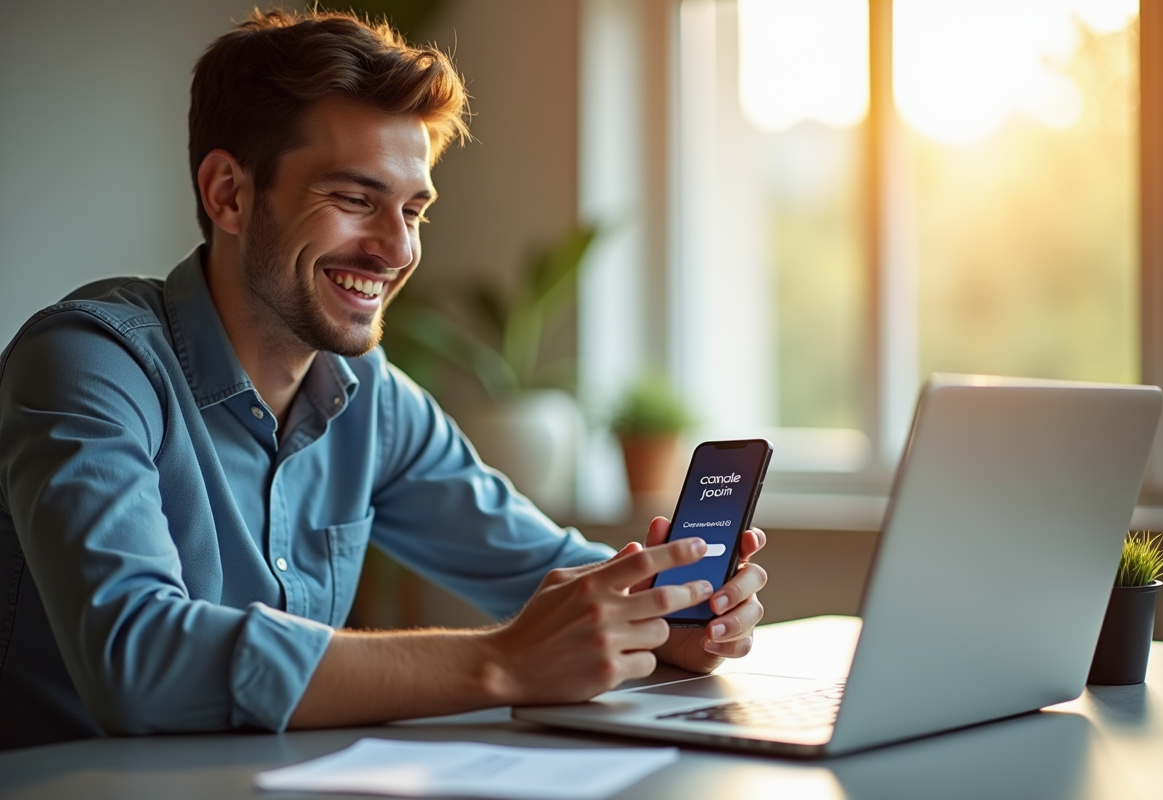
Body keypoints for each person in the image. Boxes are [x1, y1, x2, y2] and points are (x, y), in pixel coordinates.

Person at [0, 8, 767, 751]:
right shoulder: (88, 363)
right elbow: (137, 657)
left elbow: (543, 570)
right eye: (354, 198)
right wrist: (500, 661)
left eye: (414, 210)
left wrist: (674, 612)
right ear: (228, 194)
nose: (395, 249)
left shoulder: (371, 397)